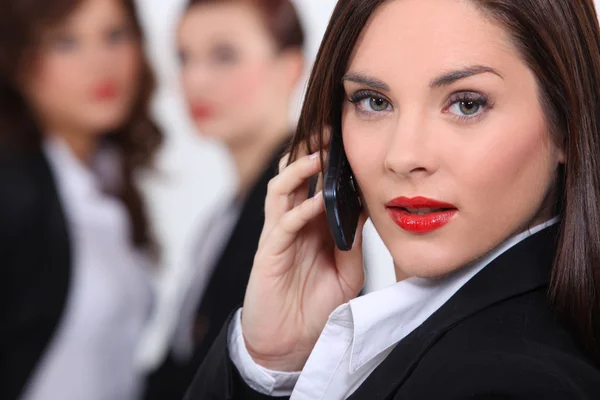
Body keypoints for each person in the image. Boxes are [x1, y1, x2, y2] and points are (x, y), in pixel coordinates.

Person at [184, 0, 600, 399]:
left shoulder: (510, 384)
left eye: (467, 104)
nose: (403, 157)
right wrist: (272, 362)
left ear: (565, 120)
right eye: (374, 101)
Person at [143, 0, 305, 398]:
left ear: (290, 67)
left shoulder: (299, 206)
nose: (194, 80)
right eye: (184, 57)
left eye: (224, 55)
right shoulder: (234, 208)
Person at [0, 0, 162, 398]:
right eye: (66, 42)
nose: (100, 63)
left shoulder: (107, 175)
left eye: (114, 35)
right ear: (18, 61)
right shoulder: (11, 190)